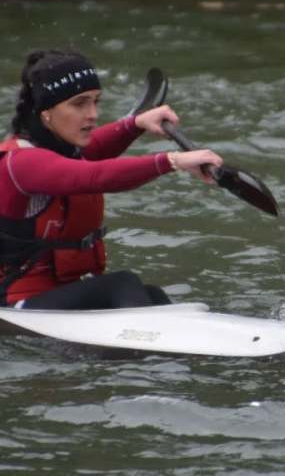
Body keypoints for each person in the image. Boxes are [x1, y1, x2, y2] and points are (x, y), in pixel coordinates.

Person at [0, 49, 223, 310]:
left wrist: (136, 124)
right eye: (79, 104)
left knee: (151, 294)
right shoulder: (21, 163)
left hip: (56, 299)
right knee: (122, 284)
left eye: (96, 101)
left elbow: (96, 147)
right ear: (46, 113)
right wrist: (172, 161)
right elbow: (94, 176)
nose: (92, 114)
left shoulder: (62, 149)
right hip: (16, 307)